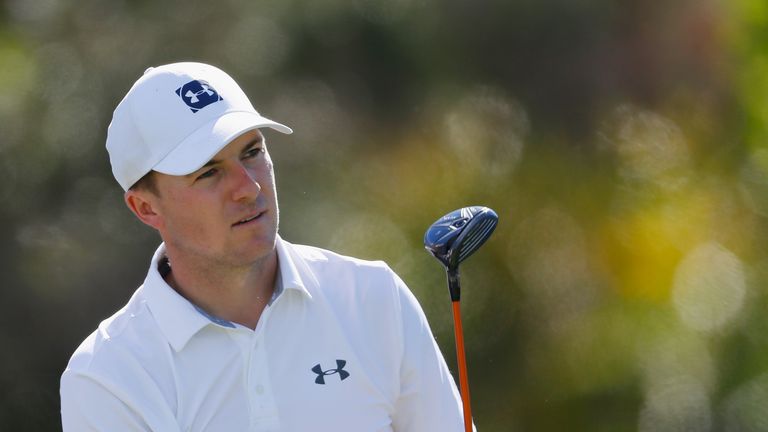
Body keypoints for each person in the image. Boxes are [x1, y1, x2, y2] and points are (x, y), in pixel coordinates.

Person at [60, 62, 471, 431]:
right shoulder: (107, 378)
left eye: (252, 151)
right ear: (146, 207)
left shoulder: (373, 298)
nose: (249, 187)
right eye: (208, 173)